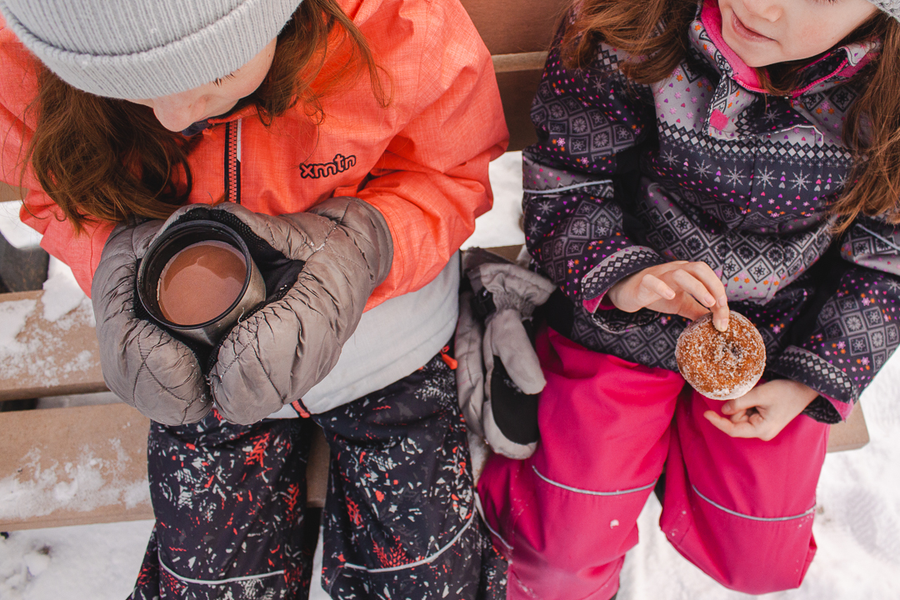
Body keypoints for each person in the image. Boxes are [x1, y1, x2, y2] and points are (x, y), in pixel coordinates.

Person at [0, 0, 510, 598]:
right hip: (199, 371)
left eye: (213, 73)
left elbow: (449, 169)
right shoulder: (30, 43)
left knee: (430, 580)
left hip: (388, 347)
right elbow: (58, 191)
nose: (171, 118)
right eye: (125, 89)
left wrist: (363, 246)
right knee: (206, 583)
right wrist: (114, 260)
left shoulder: (394, 19)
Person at [475, 0, 900, 598]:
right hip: (621, 319)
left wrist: (814, 379)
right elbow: (571, 178)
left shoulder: (888, 94)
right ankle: (559, 475)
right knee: (557, 567)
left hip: (776, 342)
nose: (763, 6)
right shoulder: (634, 28)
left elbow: (889, 259)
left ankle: (666, 456)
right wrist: (622, 277)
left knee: (761, 562)